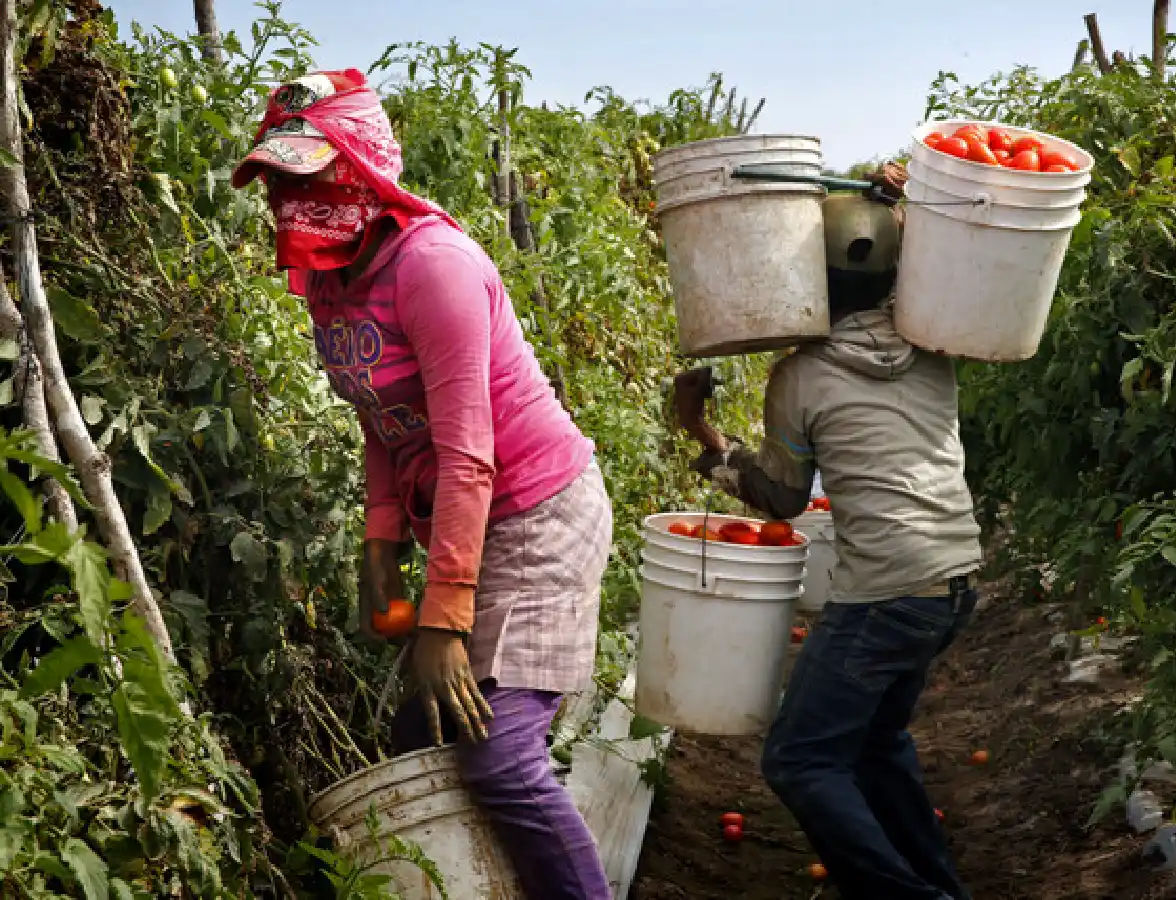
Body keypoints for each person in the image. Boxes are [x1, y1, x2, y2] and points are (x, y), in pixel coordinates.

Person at [231, 70, 612, 900]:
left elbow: (468, 453)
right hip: (458, 517)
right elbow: (382, 417)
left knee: (501, 756)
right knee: (425, 729)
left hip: (536, 511)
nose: (293, 199)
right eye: (280, 181)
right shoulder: (328, 281)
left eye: (312, 176)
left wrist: (442, 620)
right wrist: (380, 545)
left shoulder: (432, 266)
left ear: (363, 168)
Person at [673, 165, 981, 900]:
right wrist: (899, 200)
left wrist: (699, 431)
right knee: (876, 743)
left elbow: (781, 501)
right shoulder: (932, 348)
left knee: (799, 761)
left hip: (886, 593)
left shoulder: (800, 377)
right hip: (956, 580)